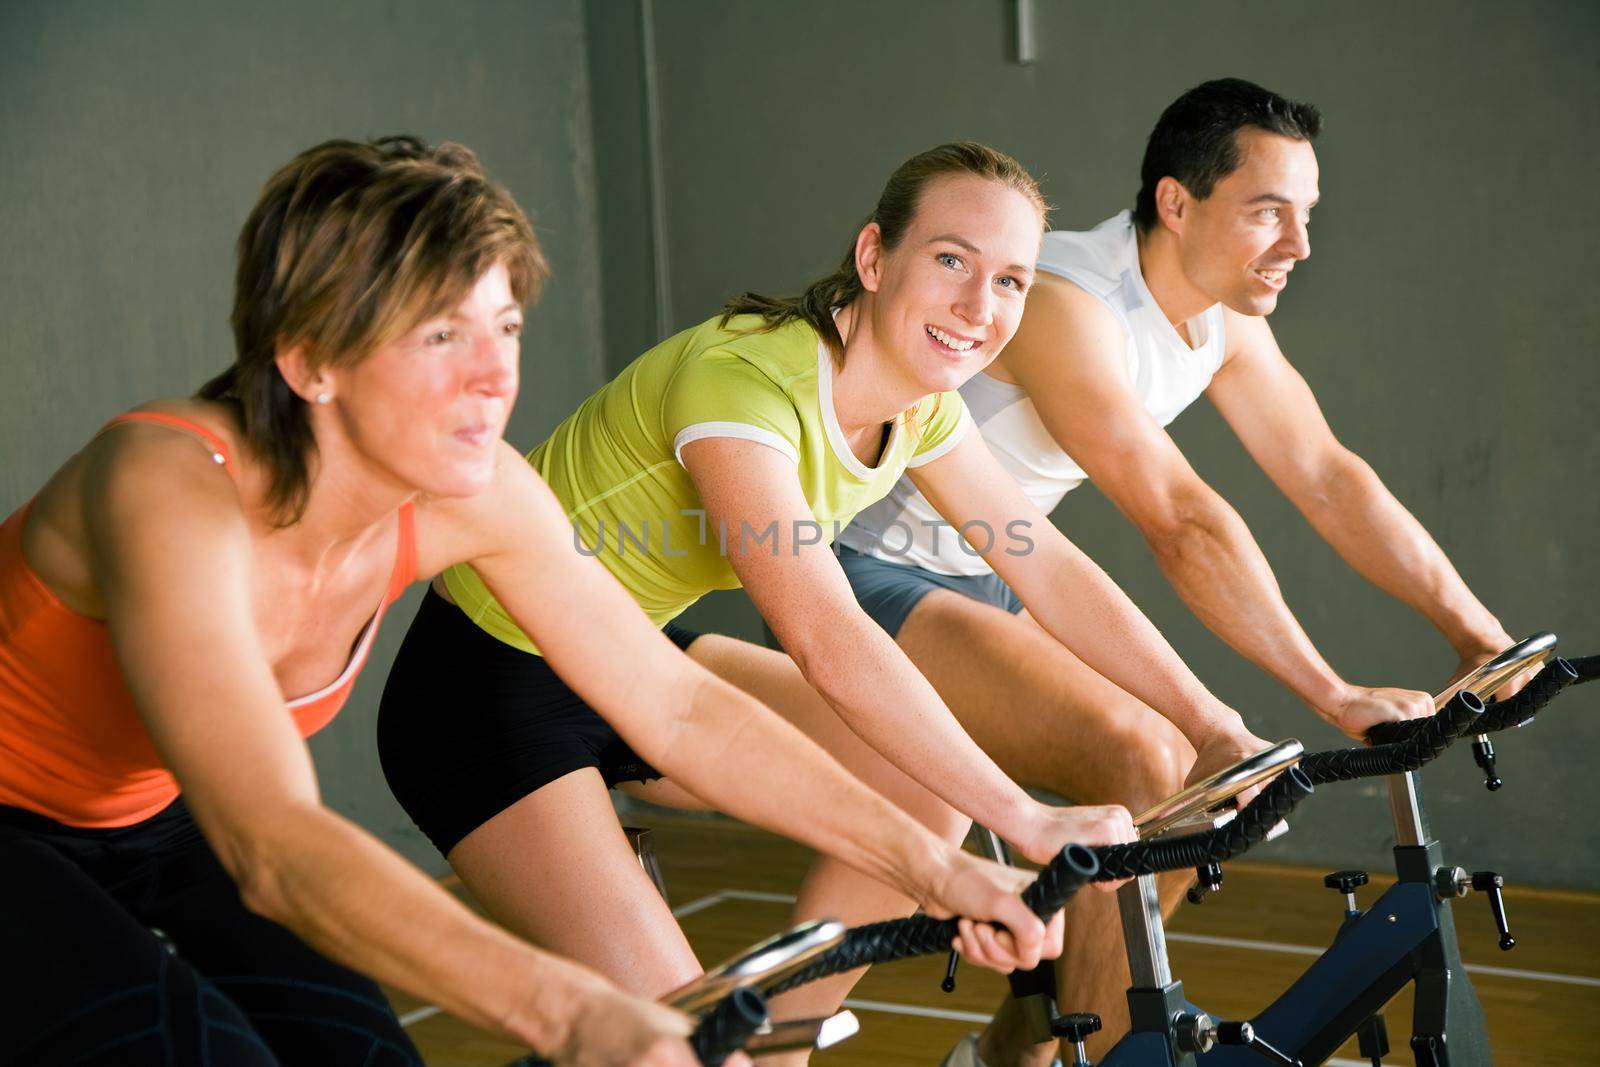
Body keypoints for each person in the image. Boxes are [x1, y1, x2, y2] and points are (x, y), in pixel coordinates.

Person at [0, 136, 1048, 1067]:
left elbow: (676, 707)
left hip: (160, 816)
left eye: (502, 326)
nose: (494, 375)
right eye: (440, 335)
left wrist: (936, 866)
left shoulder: (482, 492)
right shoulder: (169, 489)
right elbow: (273, 842)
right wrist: (567, 1009)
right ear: (311, 359)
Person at [378, 141, 1271, 1062]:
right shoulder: (745, 386)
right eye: (952, 260)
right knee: (677, 1048)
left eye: (1011, 280)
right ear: (875, 257)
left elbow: (1043, 561)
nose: (979, 306)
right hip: (482, 696)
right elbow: (825, 633)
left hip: (631, 658)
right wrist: (1027, 818)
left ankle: (785, 1039)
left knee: (925, 780)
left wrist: (1211, 724)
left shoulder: (918, 407)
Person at [834, 80, 1515, 1065]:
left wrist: (1476, 635)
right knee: (1148, 758)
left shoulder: (1222, 320)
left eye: (1307, 212)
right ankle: (1104, 1049)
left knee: (1184, 793)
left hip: (983, 585)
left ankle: (1023, 1034)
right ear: (1176, 202)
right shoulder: (1067, 302)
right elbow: (1177, 514)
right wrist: (1327, 690)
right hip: (865, 575)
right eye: (1267, 210)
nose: (1298, 243)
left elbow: (1326, 476)